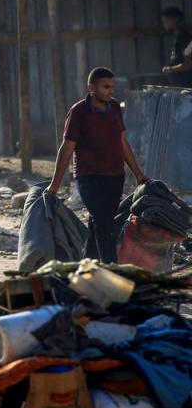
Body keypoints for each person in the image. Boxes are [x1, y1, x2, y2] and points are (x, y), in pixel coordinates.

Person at [47, 67, 148, 264]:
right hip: (89, 177)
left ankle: (87, 263)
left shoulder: (115, 108)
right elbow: (66, 149)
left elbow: (122, 142)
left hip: (115, 176)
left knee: (99, 221)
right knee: (105, 225)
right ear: (91, 87)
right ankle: (112, 268)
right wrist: (55, 184)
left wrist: (138, 174)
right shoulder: (79, 112)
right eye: (106, 87)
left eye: (112, 87)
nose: (111, 91)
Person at [160, 6, 192, 87]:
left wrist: (171, 69)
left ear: (174, 20)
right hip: (179, 84)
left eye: (166, 20)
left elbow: (189, 63)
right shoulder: (177, 38)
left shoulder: (184, 39)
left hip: (185, 85)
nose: (164, 23)